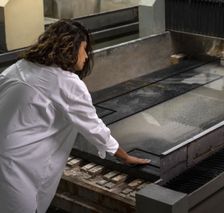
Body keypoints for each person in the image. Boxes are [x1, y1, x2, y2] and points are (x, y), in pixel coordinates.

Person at [0, 19, 150, 213]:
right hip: (17, 168)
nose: (86, 56)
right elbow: (95, 129)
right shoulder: (65, 83)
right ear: (70, 47)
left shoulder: (19, 67)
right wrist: (125, 157)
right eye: (84, 48)